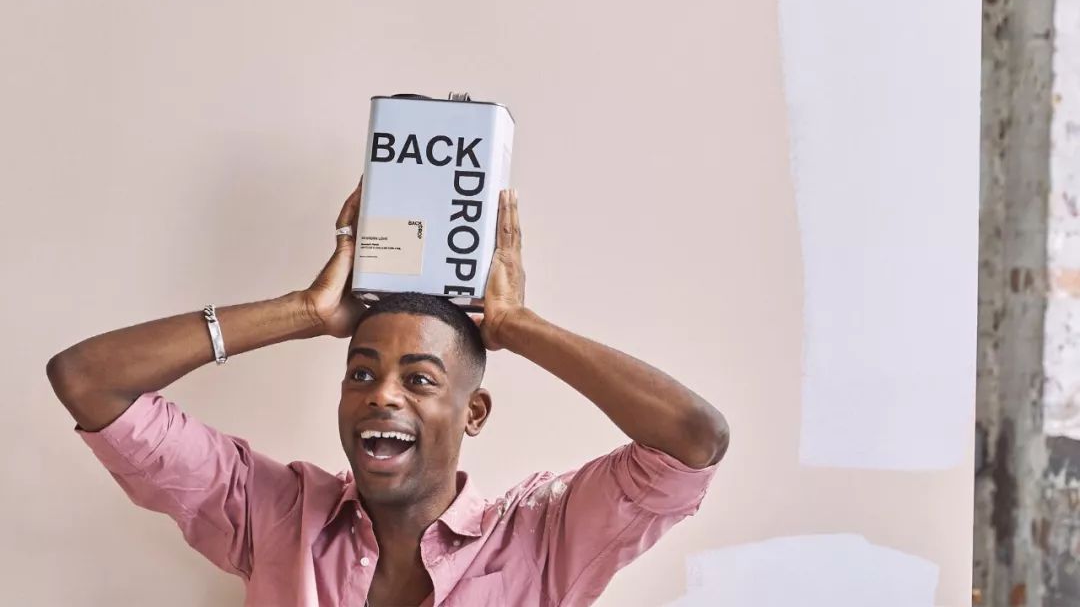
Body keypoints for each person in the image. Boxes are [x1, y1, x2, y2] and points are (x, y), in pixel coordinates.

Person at [47, 181, 729, 607]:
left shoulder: (543, 536)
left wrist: (518, 327)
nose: (383, 396)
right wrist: (305, 311)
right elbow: (87, 379)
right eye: (362, 373)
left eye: (420, 379)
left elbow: (693, 439)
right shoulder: (275, 514)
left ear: (474, 412)